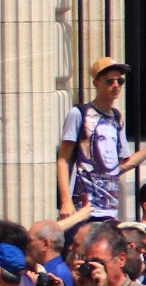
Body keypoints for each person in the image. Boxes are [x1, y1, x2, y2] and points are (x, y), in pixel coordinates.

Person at [59, 57, 144, 221]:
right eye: (109, 81)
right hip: (83, 208)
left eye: (120, 81)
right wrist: (66, 200)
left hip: (110, 209)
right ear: (96, 83)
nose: (116, 85)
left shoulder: (117, 118)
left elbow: (119, 166)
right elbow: (63, 159)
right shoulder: (79, 114)